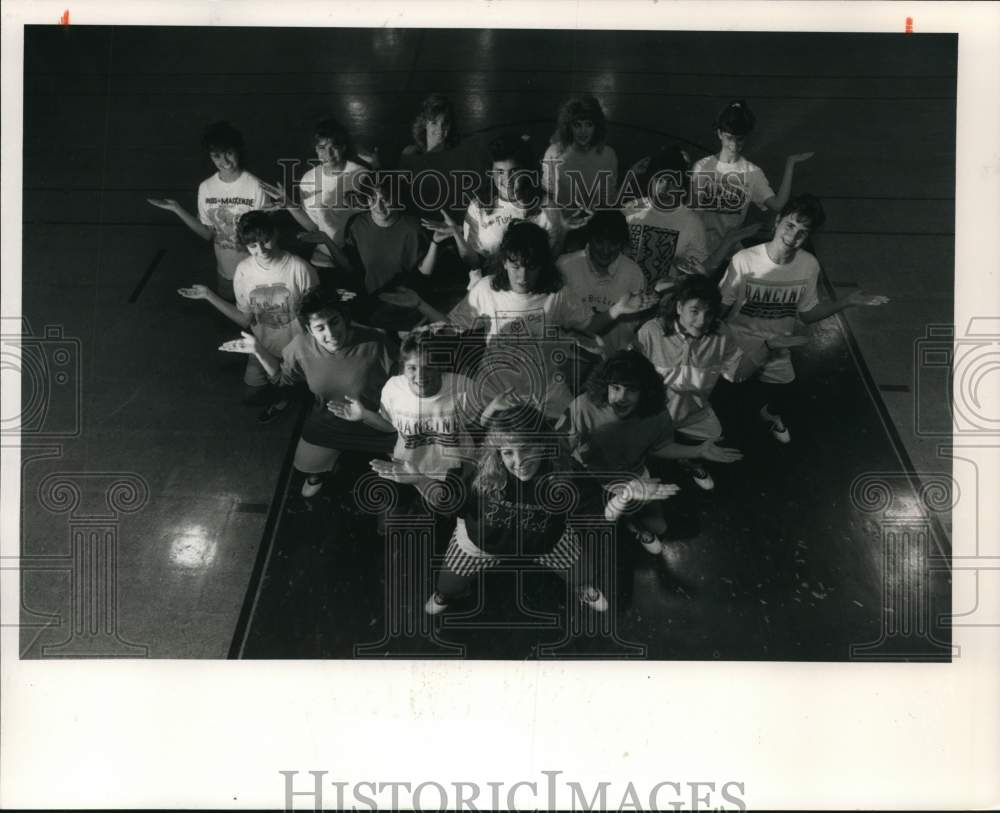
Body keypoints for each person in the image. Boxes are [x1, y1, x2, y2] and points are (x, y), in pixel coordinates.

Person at [381, 221, 657, 418]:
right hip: (494, 387)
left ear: (543, 266)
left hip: (546, 390)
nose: (523, 276)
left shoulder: (557, 293)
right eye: (515, 266)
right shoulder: (486, 289)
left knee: (559, 443)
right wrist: (420, 303)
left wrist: (618, 310)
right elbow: (455, 327)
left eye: (531, 267)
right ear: (504, 262)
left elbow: (588, 325)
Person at [719, 194, 889, 444]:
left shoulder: (809, 265)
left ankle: (770, 416)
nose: (794, 235)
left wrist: (846, 301)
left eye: (803, 231)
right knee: (729, 402)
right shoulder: (745, 260)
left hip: (778, 347)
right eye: (790, 225)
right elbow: (721, 306)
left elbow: (808, 314)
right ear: (777, 221)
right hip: (739, 344)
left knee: (787, 391)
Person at [423, 403, 619, 616]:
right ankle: (445, 595)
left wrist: (621, 501)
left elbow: (598, 514)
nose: (519, 462)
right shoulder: (478, 467)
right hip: (481, 542)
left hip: (547, 541)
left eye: (526, 448)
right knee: (447, 587)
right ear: (498, 451)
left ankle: (583, 589)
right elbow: (449, 504)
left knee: (584, 576)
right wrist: (418, 481)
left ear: (542, 444)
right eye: (508, 452)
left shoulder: (566, 469)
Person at [219, 286, 396, 497]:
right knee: (306, 470)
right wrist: (258, 350)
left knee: (410, 466)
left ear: (345, 318)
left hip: (376, 420)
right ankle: (320, 472)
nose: (330, 333)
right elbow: (282, 380)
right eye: (320, 327)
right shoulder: (300, 347)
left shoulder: (375, 341)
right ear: (309, 330)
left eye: (334, 322)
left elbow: (403, 381)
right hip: (329, 423)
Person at [559, 350, 742, 551]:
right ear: (604, 385)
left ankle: (632, 520)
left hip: (636, 476)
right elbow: (559, 450)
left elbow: (661, 446)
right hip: (595, 481)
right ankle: (633, 526)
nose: (621, 398)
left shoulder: (656, 412)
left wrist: (697, 451)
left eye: (631, 390)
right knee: (608, 527)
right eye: (615, 387)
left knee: (660, 528)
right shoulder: (582, 406)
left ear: (645, 390)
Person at [635, 275, 780, 490]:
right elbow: (631, 375)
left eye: (709, 313)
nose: (702, 321)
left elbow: (736, 375)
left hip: (693, 413)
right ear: (679, 307)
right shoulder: (650, 332)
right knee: (644, 458)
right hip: (653, 415)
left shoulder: (721, 334)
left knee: (714, 435)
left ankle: (688, 460)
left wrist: (767, 347)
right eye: (695, 311)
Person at [177, 210, 318, 419]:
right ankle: (285, 394)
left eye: (265, 240)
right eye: (253, 246)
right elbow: (245, 319)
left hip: (297, 349)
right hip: (263, 347)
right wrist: (209, 295)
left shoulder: (300, 268)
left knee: (312, 393)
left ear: (275, 233)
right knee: (252, 395)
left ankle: (292, 394)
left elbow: (317, 316)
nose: (261, 250)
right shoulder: (243, 270)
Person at [420, 134, 585, 278]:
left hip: (533, 287)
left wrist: (563, 230)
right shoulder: (478, 207)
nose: (507, 180)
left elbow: (550, 260)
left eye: (514, 172)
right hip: (489, 285)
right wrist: (457, 234)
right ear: (490, 172)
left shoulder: (546, 206)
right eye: (499, 172)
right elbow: (473, 263)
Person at [298, 173, 441, 332]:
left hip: (407, 311)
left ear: (396, 198)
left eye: (384, 200)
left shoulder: (414, 227)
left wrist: (435, 243)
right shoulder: (357, 224)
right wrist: (326, 239)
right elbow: (349, 267)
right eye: (372, 200)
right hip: (371, 309)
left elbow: (424, 273)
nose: (378, 207)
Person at [147, 121, 274, 301]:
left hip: (257, 272)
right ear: (210, 157)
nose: (225, 162)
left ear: (238, 150)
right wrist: (177, 209)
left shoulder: (256, 187)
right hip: (225, 273)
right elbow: (208, 234)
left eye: (229, 153)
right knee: (230, 318)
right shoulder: (206, 188)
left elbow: (267, 238)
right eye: (217, 156)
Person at [368, 326, 478, 518]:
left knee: (442, 514)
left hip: (450, 468)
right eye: (412, 368)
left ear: (441, 367)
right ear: (403, 367)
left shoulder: (463, 387)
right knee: (397, 511)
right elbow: (389, 425)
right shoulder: (393, 388)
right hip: (405, 463)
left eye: (428, 367)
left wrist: (471, 465)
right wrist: (363, 416)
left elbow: (478, 426)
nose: (419, 375)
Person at [689, 100, 815, 268]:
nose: (734, 144)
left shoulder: (753, 173)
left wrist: (790, 164)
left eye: (739, 139)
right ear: (719, 134)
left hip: (729, 252)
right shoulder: (702, 167)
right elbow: (692, 212)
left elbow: (777, 205)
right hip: (700, 250)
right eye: (729, 138)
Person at [623, 145, 760, 289]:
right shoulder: (630, 209)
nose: (663, 187)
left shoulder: (691, 222)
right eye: (659, 180)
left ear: (680, 183)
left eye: (671, 181)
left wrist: (729, 241)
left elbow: (702, 270)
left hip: (663, 301)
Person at [556, 209, 647, 360]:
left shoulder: (634, 273)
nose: (605, 250)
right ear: (589, 238)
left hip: (613, 363)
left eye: (613, 243)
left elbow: (636, 327)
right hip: (570, 361)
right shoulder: (565, 266)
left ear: (622, 243)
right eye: (599, 241)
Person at [287, 117, 371, 272]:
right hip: (322, 260)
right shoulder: (308, 180)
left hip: (357, 261)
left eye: (334, 147)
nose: (329, 154)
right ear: (316, 150)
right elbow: (313, 226)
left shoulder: (361, 175)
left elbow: (372, 221)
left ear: (343, 147)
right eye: (322, 148)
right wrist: (290, 206)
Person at [541, 94, 618, 210]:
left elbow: (609, 199)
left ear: (597, 127)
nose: (583, 131)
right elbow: (548, 195)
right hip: (563, 221)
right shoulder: (553, 153)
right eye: (577, 125)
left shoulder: (608, 154)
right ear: (569, 127)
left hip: (595, 220)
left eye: (589, 124)